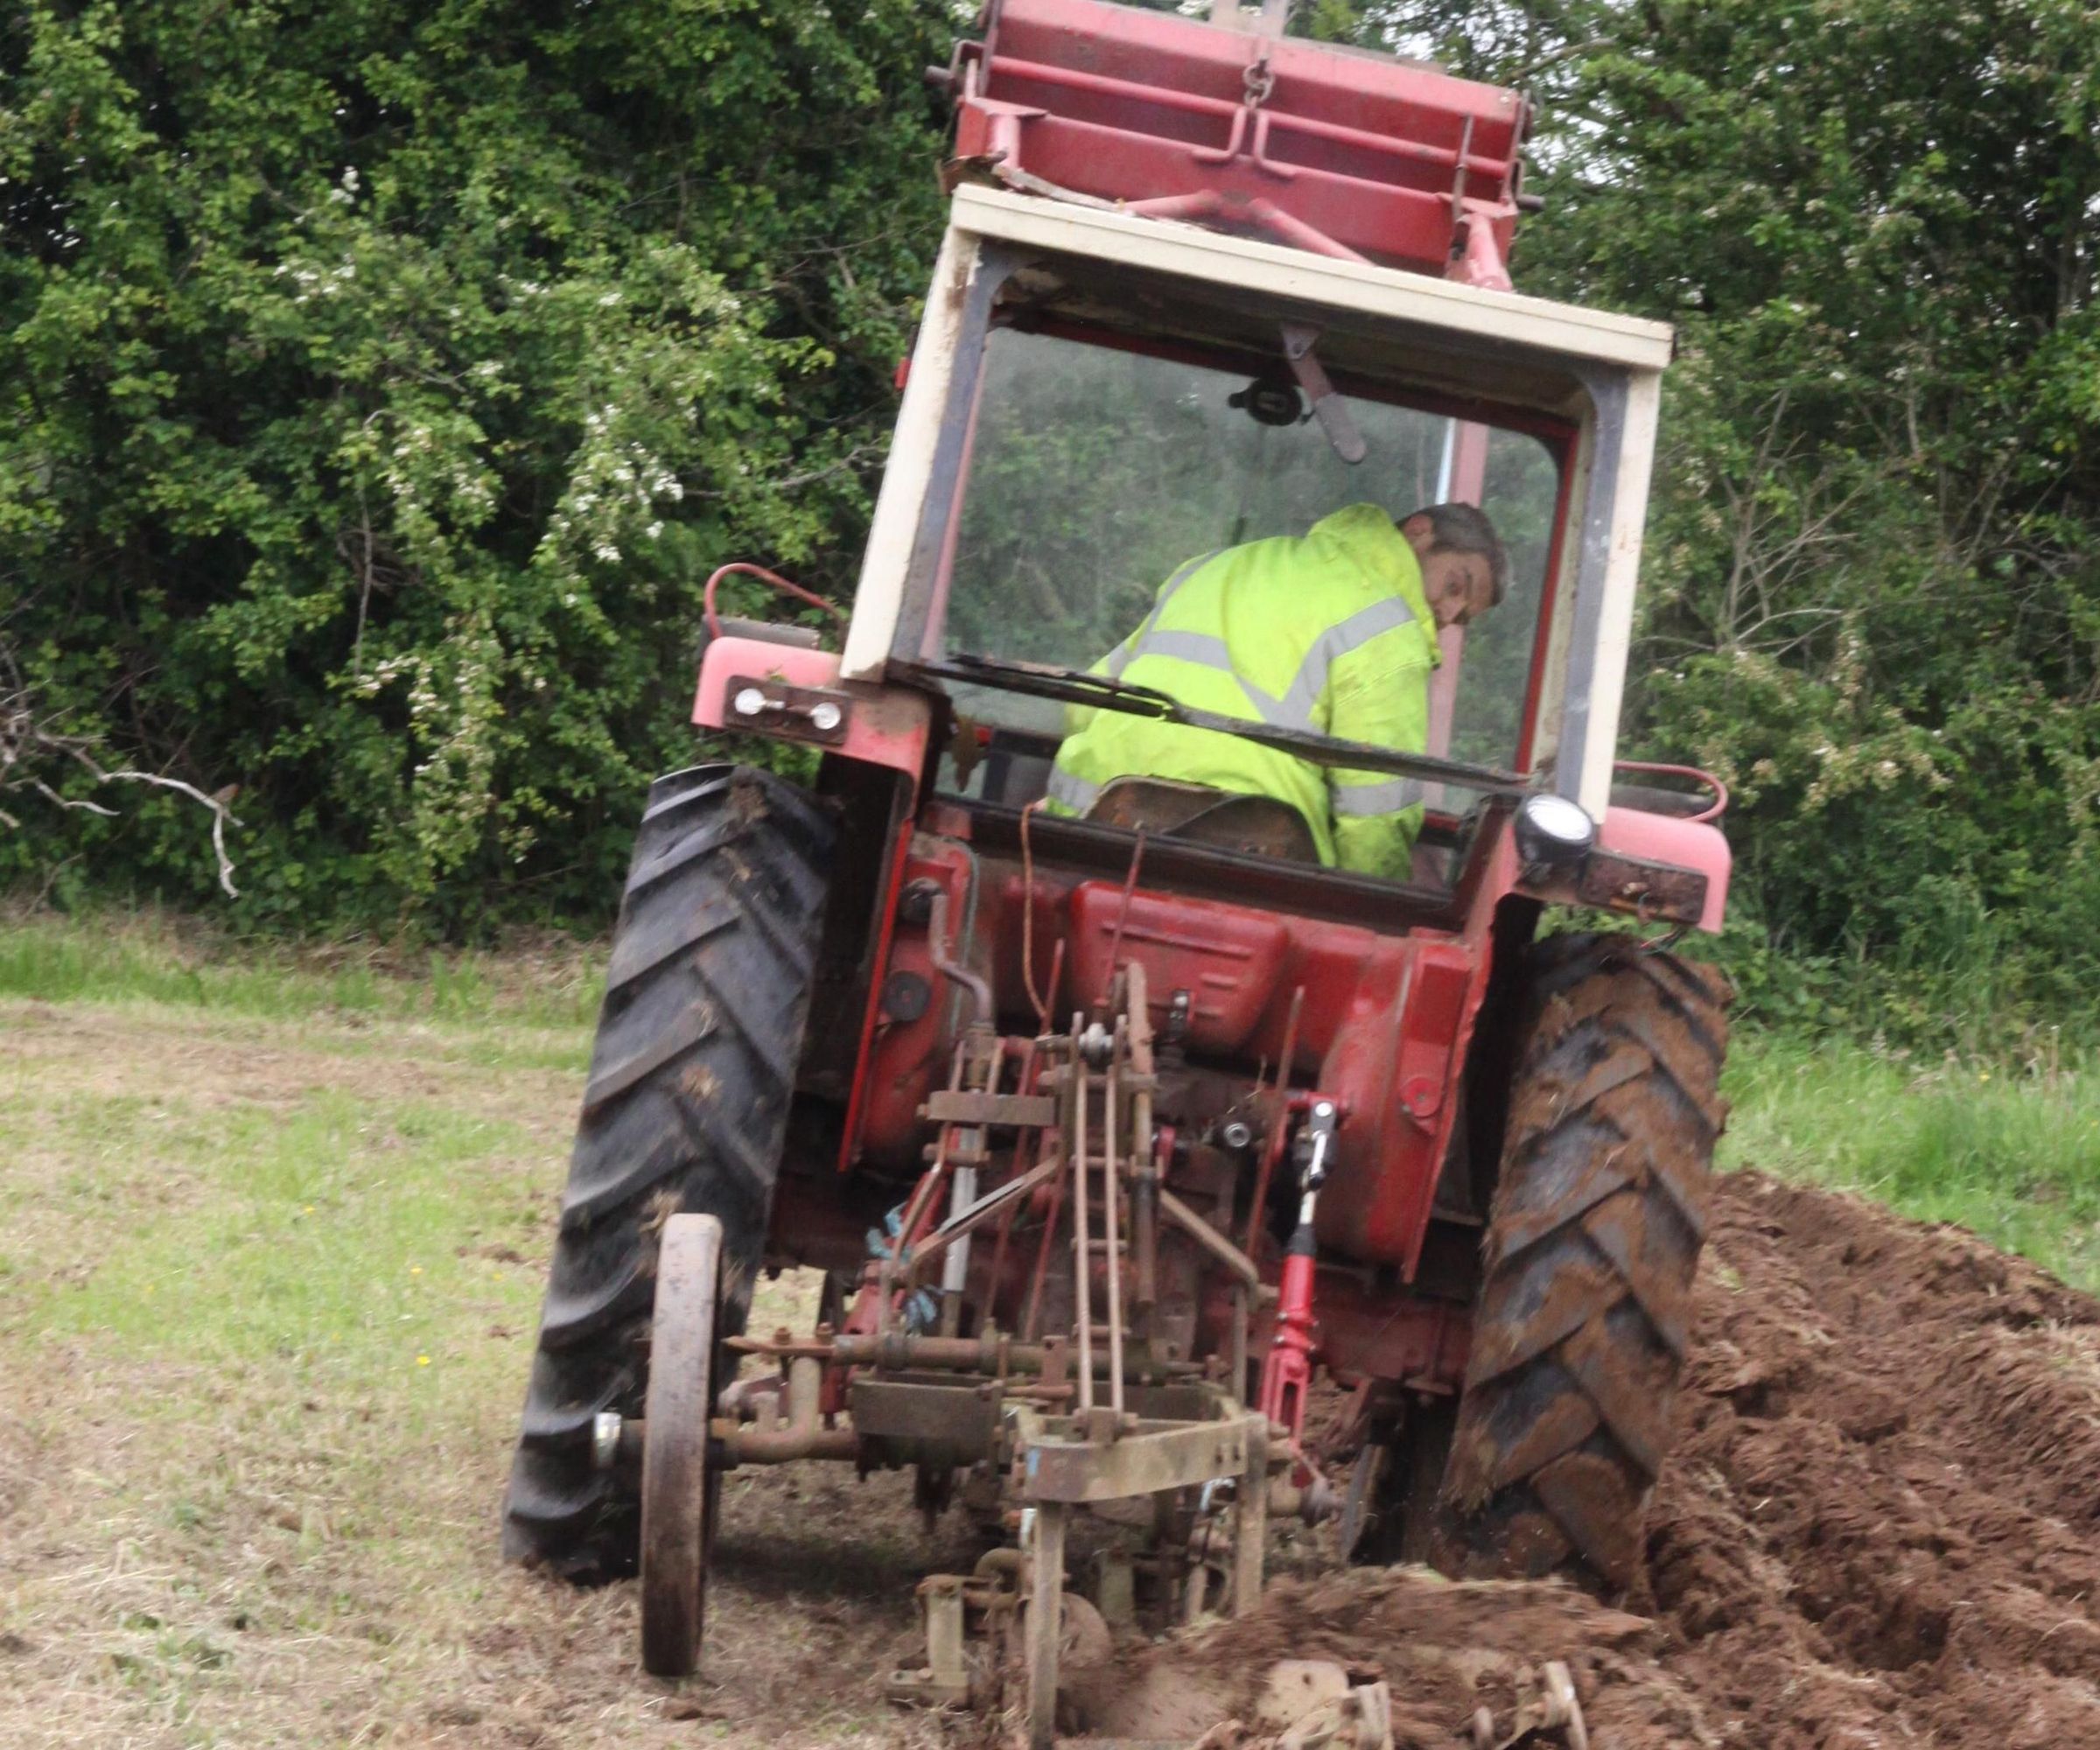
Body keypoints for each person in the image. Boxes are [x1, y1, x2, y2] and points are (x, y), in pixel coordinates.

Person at [1046, 502, 1506, 879]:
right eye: (1454, 586)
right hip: (1254, 863)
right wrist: (1372, 913)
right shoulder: (1389, 631)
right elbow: (1376, 814)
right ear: (1418, 532)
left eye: (1462, 616)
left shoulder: (1214, 566)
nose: (1448, 613)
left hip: (1093, 826)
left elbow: (1084, 706)